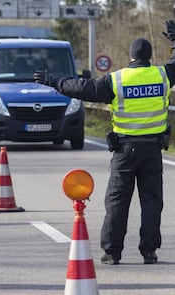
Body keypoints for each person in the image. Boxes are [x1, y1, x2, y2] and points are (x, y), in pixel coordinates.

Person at [34, 20, 175, 266]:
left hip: (125, 152)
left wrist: (53, 81)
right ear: (150, 56)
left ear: (130, 56)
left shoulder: (117, 80)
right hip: (153, 150)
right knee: (152, 203)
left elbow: (82, 88)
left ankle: (112, 252)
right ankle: (149, 251)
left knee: (117, 202)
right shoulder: (163, 75)